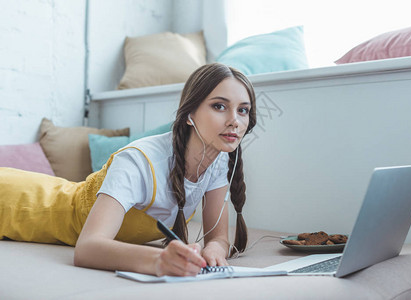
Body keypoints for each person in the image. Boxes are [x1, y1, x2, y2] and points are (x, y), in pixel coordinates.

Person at [0, 63, 257, 277]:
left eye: (243, 110)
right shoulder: (139, 161)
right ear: (190, 113)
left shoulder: (220, 159)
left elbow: (218, 237)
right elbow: (87, 249)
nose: (235, 120)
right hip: (17, 202)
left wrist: (214, 250)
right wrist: (158, 260)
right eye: (219, 106)